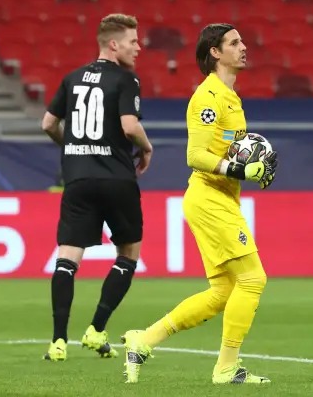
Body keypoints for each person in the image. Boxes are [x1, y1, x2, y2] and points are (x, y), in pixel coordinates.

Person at [121, 23, 277, 384]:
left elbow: (227, 150)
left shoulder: (230, 97)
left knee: (223, 292)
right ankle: (225, 368)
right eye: (234, 42)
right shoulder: (207, 97)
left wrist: (251, 167)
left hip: (220, 198)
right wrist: (239, 167)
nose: (244, 46)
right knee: (253, 279)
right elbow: (195, 154)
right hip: (209, 199)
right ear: (215, 53)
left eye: (242, 40)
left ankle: (144, 340)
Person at [40, 13, 153, 361]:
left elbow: (48, 123)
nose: (139, 47)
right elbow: (130, 125)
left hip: (78, 179)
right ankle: (96, 329)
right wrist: (146, 148)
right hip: (117, 179)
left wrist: (74, 148)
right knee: (127, 254)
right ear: (114, 44)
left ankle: (58, 342)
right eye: (133, 41)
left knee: (68, 257)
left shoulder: (72, 78)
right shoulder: (125, 79)